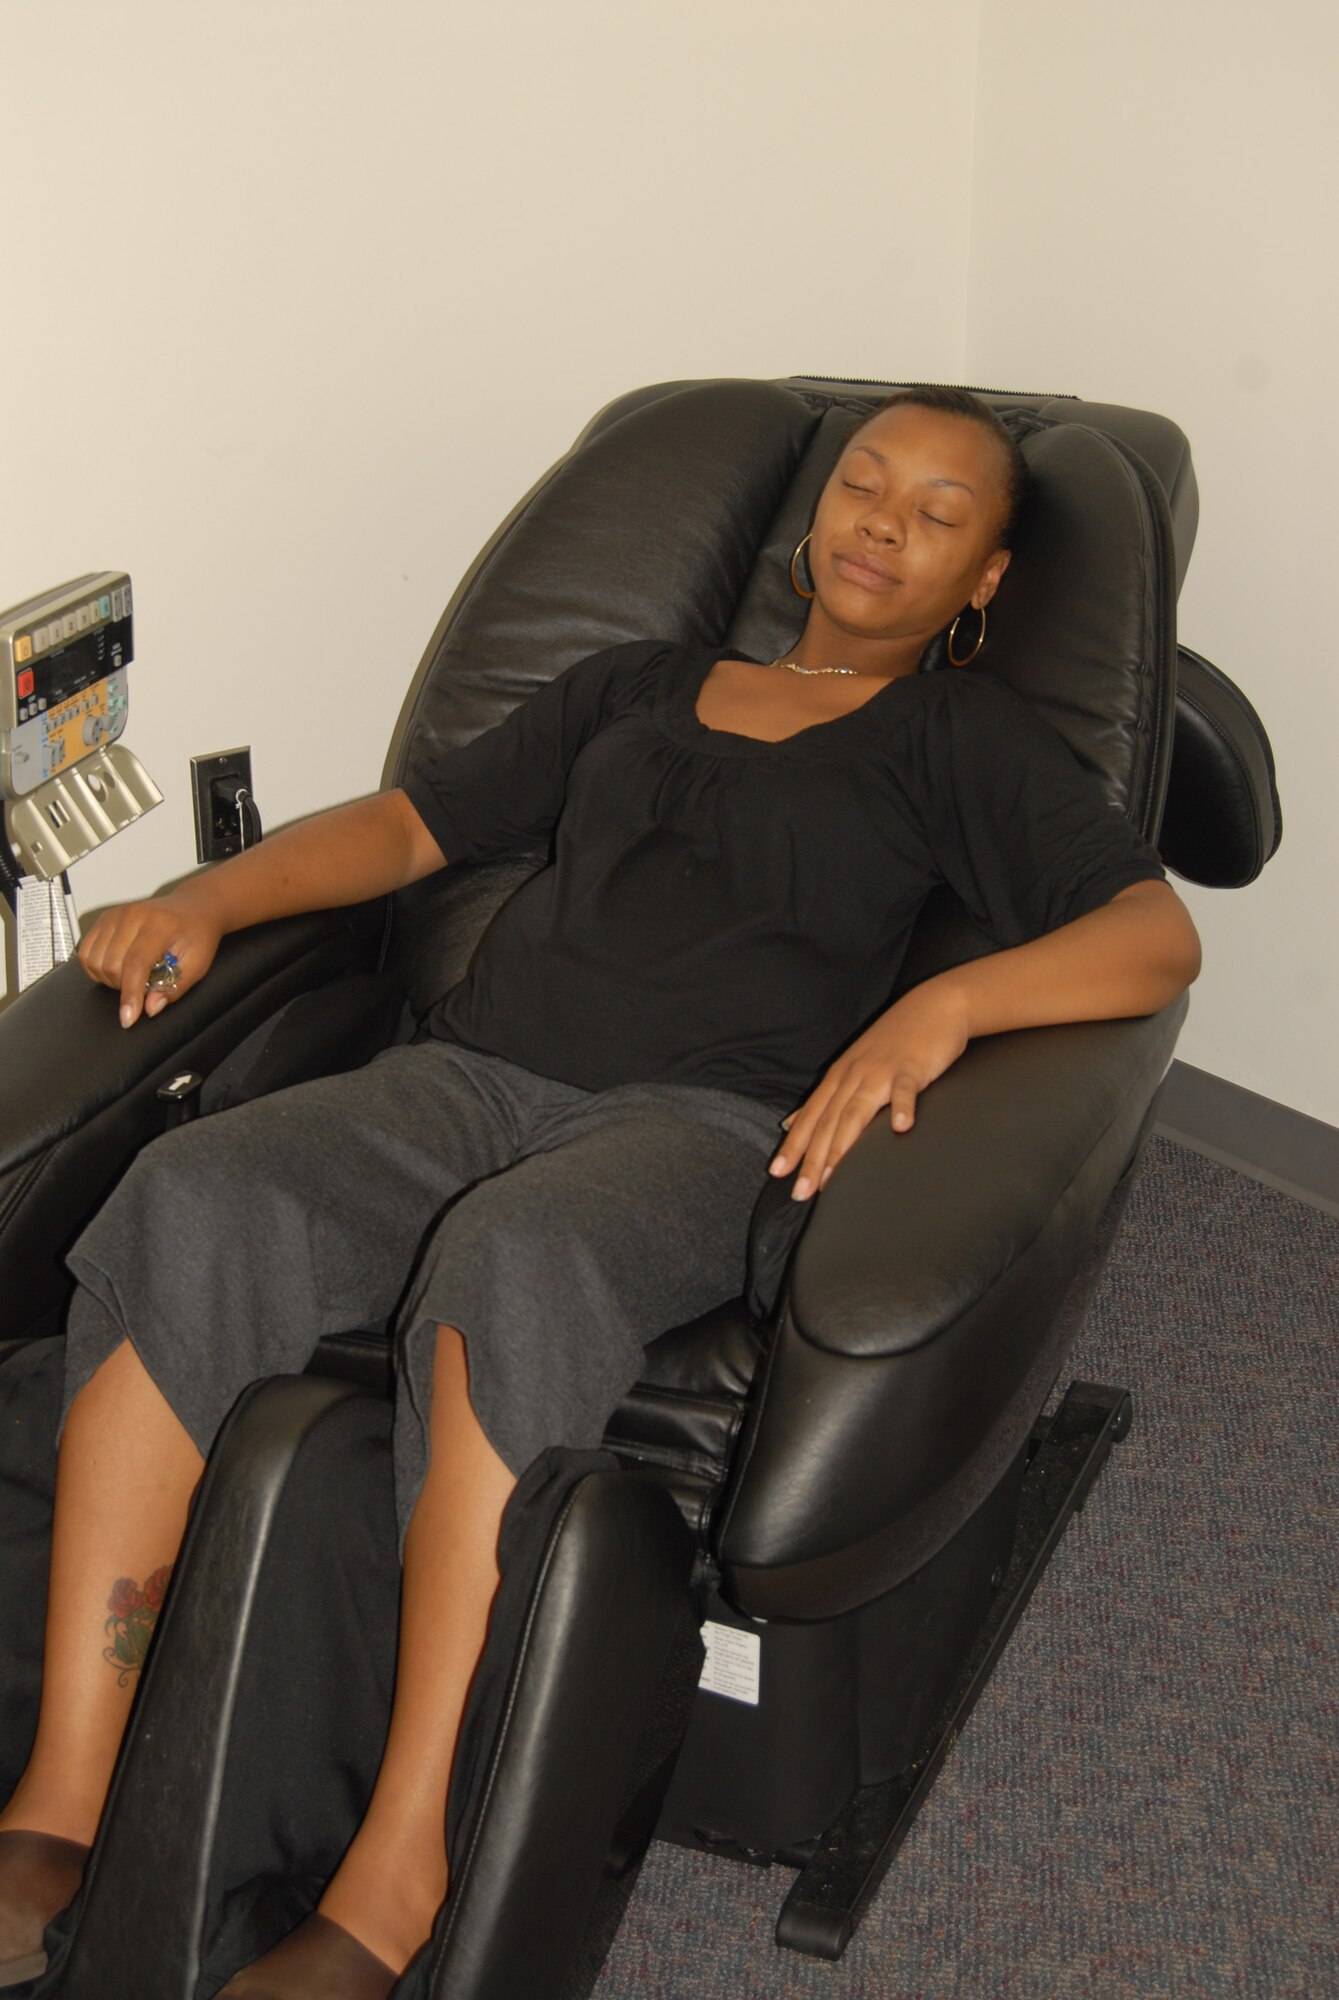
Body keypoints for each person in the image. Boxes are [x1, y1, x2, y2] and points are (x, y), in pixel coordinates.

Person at [0, 389, 1201, 1997]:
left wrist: (949, 1004)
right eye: (864, 487)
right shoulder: (633, 686)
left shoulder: (959, 744)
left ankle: (397, 1875)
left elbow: (1151, 936)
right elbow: (416, 824)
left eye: (936, 515)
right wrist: (208, 893)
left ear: (982, 580)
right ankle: (67, 1800)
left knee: (518, 1258)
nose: (882, 526)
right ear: (810, 514)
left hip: (704, 1131)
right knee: (202, 1188)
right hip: (461, 1078)